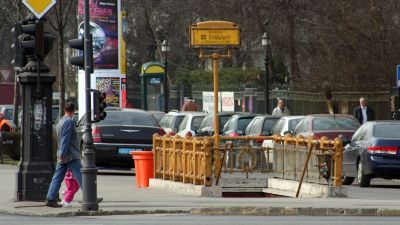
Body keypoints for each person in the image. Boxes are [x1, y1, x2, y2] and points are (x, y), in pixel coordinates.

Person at [46, 102, 82, 208]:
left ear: (64, 110)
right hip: (70, 155)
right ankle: (90, 196)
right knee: (82, 176)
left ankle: (50, 198)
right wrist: (63, 153)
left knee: (57, 177)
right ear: (74, 110)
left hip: (62, 154)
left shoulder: (60, 121)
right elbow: (66, 139)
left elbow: (61, 138)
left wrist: (60, 153)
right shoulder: (69, 122)